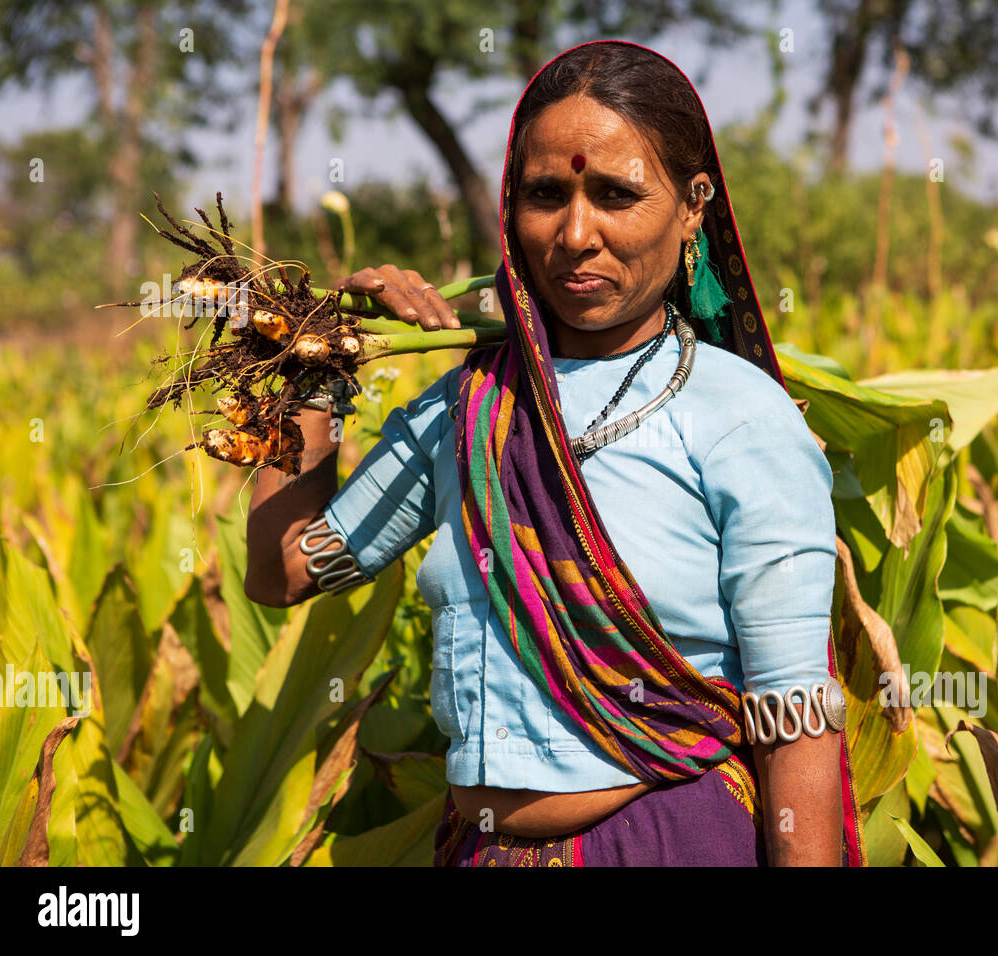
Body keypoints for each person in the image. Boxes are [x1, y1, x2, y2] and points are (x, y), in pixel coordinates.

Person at [244, 40, 865, 867]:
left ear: (693, 206)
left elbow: (793, 718)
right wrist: (310, 363)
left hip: (671, 842)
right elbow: (283, 569)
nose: (576, 234)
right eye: (546, 195)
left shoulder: (741, 418)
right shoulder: (469, 409)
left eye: (615, 194)